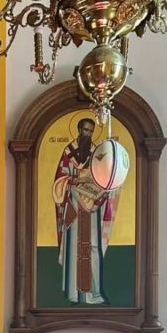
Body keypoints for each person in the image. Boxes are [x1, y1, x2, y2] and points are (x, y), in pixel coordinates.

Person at [53, 117, 119, 305]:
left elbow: (104, 178)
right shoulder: (68, 152)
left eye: (90, 131)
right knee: (74, 247)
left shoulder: (98, 153)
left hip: (92, 208)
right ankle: (74, 294)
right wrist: (74, 180)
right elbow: (60, 178)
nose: (87, 134)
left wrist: (98, 188)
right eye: (85, 130)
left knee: (93, 247)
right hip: (74, 205)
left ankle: (94, 293)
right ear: (78, 130)